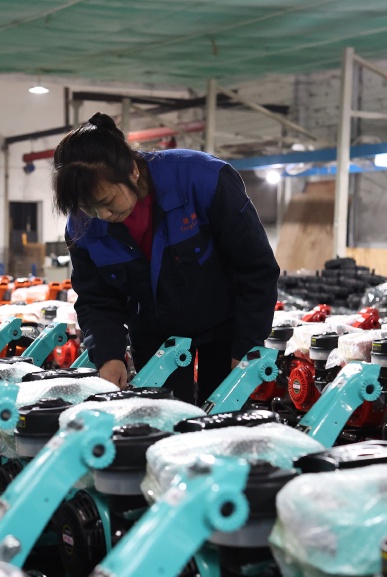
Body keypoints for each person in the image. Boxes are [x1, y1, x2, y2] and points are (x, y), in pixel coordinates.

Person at [54, 112, 280, 405]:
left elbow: (255, 267)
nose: (102, 216)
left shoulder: (203, 179)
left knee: (225, 417)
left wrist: (247, 346)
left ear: (132, 171)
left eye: (106, 202)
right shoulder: (82, 227)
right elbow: (97, 299)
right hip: (153, 334)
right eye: (90, 208)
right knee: (160, 419)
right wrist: (108, 355)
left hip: (226, 327)